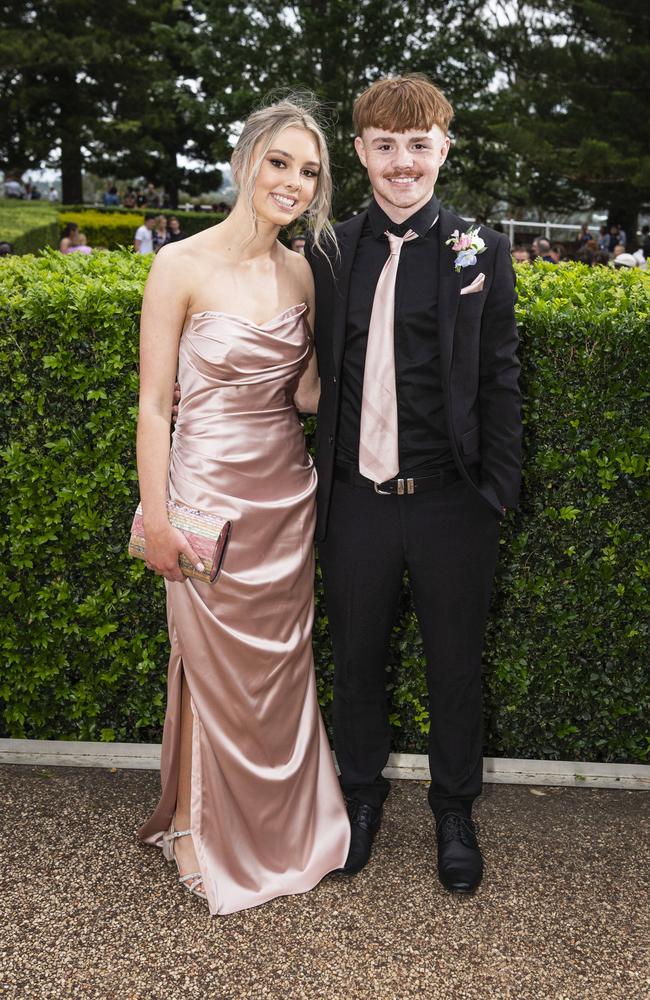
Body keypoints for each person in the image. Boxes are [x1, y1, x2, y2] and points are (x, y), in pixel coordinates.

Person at [306, 75, 521, 894]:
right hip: (356, 499)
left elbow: (500, 378)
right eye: (385, 146)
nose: (403, 162)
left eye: (419, 145)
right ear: (359, 152)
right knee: (356, 661)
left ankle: (455, 811)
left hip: (452, 503)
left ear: (443, 149)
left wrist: (496, 491)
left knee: (454, 665)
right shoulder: (326, 251)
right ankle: (359, 803)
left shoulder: (482, 251)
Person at [136, 97, 350, 915]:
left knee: (279, 672)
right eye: (280, 162)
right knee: (208, 665)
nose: (293, 182)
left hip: (284, 499)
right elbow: (156, 406)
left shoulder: (303, 271)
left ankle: (288, 830)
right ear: (246, 162)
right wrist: (156, 515)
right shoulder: (179, 265)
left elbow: (301, 390)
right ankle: (193, 826)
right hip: (204, 498)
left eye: (309, 171)